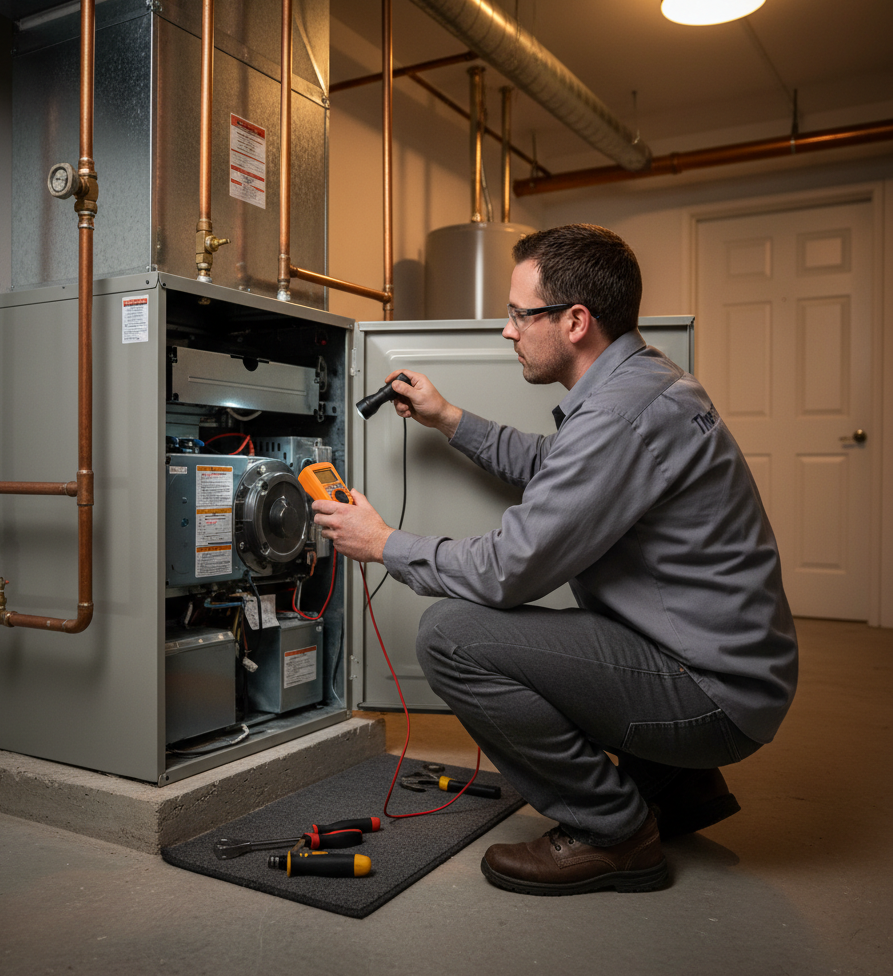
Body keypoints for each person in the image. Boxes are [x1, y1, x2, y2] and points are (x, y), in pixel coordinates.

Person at [312, 224, 798, 896]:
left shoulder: (619, 416)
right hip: (728, 668)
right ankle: (676, 789)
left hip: (714, 694)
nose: (508, 331)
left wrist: (382, 543)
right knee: (557, 631)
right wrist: (449, 417)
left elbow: (507, 570)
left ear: (575, 321)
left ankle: (613, 830)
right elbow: (557, 468)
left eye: (519, 314)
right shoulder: (645, 382)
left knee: (452, 638)